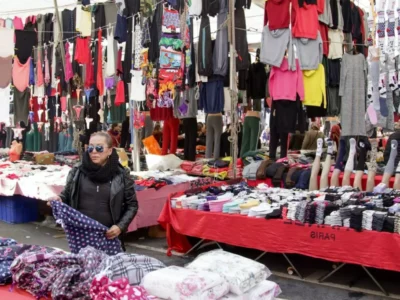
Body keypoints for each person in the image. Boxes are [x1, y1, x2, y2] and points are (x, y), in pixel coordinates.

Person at [51, 132, 138, 242]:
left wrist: (120, 226)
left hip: (109, 235)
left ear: (110, 151)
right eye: (91, 148)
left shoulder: (121, 174)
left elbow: (132, 205)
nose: (94, 151)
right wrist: (59, 199)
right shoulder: (77, 171)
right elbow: (66, 195)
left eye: (99, 148)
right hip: (81, 235)